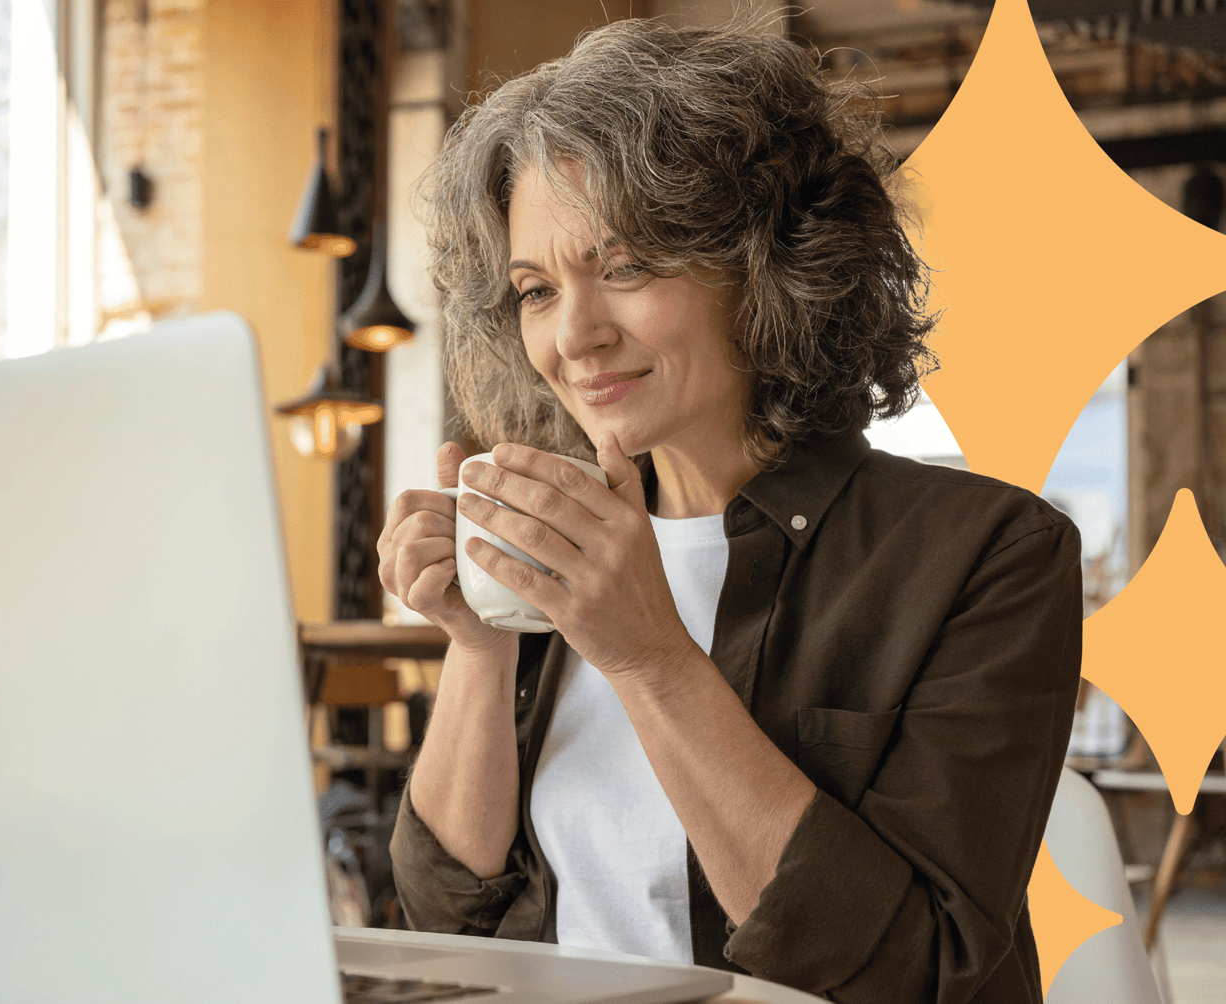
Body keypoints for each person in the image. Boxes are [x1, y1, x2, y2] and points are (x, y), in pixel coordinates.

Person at [376, 16, 1082, 1004]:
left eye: (624, 266)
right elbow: (446, 928)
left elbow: (916, 974)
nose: (573, 333)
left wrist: (648, 655)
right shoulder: (549, 543)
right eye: (535, 288)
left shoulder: (987, 553)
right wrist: (481, 637)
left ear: (767, 265)